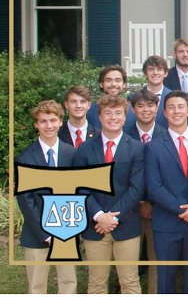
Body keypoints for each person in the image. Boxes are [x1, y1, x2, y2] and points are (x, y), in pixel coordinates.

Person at [75, 95, 145, 294]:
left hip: (126, 224)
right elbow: (80, 187)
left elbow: (136, 188)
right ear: (99, 117)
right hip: (95, 226)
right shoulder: (85, 149)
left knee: (130, 281)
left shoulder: (137, 148)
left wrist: (113, 218)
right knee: (96, 282)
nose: (113, 117)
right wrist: (99, 215)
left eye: (118, 113)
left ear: (125, 117)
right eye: (108, 113)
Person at [145, 91, 188, 294]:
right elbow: (154, 187)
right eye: (171, 107)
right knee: (165, 279)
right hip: (166, 223)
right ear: (164, 113)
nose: (176, 111)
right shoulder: (153, 147)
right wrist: (181, 209)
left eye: (181, 107)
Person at [16, 100, 77, 295]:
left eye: (52, 120)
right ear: (36, 124)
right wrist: (46, 233)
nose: (48, 126)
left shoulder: (72, 154)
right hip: (36, 233)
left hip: (66, 229)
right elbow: (26, 200)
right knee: (36, 285)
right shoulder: (25, 158)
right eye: (43, 121)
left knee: (68, 281)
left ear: (60, 122)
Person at [126, 89, 167, 294]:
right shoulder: (124, 135)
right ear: (133, 110)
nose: (145, 110)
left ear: (157, 108)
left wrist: (152, 202)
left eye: (150, 105)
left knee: (156, 258)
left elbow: (167, 174)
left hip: (158, 208)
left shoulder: (166, 135)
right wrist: (140, 202)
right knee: (128, 260)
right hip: (130, 208)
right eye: (140, 106)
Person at [137, 55, 174, 127]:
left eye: (159, 69)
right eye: (151, 69)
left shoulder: (173, 97)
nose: (155, 73)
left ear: (166, 73)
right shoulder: (135, 97)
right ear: (145, 74)